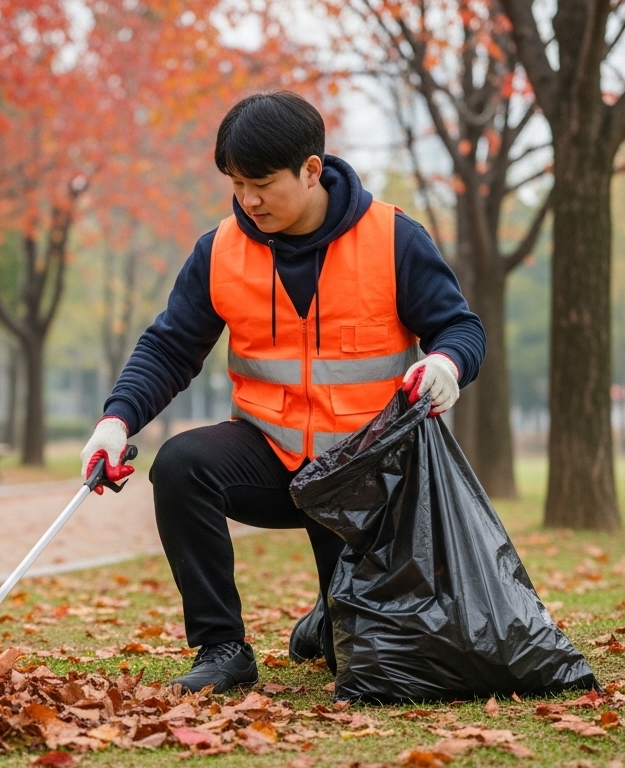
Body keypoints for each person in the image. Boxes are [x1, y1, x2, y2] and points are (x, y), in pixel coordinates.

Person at [80, 91, 486, 693]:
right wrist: (116, 422)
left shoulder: (393, 238)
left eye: (263, 183)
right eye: (236, 183)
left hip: (368, 476)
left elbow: (461, 327)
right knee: (183, 465)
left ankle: (328, 620)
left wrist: (449, 363)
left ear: (312, 169)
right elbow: (169, 348)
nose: (248, 199)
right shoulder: (218, 250)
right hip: (272, 459)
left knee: (354, 662)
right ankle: (223, 648)